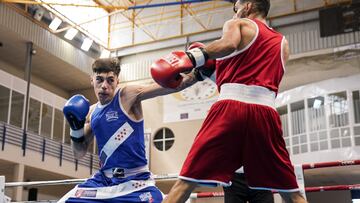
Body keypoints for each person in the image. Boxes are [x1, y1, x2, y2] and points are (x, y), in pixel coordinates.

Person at [150, 0, 308, 202]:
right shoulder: (283, 43)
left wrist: (193, 56)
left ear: (248, 6)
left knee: (186, 181)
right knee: (292, 193)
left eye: (237, 7)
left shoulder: (238, 24)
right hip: (266, 112)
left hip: (231, 108)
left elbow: (229, 44)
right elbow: (253, 76)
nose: (235, 12)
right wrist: (208, 71)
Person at [58, 56, 212, 202]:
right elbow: (78, 153)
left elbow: (167, 87)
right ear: (92, 80)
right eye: (99, 80)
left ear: (117, 81)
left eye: (110, 80)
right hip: (103, 182)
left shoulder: (126, 96)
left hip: (136, 183)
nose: (104, 85)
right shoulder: (91, 112)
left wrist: (199, 74)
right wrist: (75, 128)